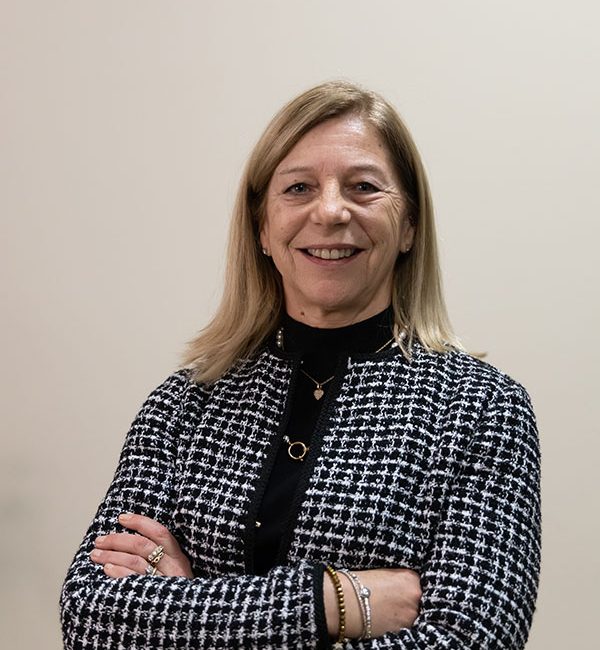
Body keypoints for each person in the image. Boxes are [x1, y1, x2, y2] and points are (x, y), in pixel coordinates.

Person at [60, 81, 541, 649]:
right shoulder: (183, 404)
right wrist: (336, 600)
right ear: (263, 227)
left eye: (364, 187)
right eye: (298, 188)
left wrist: (187, 609)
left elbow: (472, 640)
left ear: (410, 225)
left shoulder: (484, 410)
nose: (331, 211)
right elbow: (90, 619)